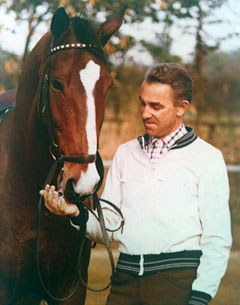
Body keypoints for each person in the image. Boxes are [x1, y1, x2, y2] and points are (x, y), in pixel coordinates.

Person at [40, 63, 232, 305]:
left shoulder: (207, 158)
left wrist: (201, 296)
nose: (145, 113)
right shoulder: (125, 153)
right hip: (125, 281)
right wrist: (76, 213)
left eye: (156, 106)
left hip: (175, 282)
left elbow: (217, 239)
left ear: (181, 108)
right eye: (143, 103)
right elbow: (111, 227)